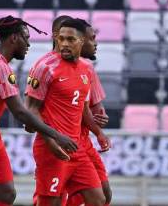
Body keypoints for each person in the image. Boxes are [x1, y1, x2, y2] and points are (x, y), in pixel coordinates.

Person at [0, 16, 78, 206]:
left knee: (7, 193)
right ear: (14, 38)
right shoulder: (0, 67)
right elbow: (19, 111)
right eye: (26, 38)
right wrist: (57, 135)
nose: (28, 44)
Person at [30, 16, 111, 206]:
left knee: (99, 199)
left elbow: (82, 107)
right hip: (53, 148)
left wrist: (98, 132)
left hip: (77, 147)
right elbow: (31, 110)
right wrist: (51, 142)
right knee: (51, 202)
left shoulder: (86, 69)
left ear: (81, 42)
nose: (64, 44)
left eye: (71, 39)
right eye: (61, 39)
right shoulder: (45, 68)